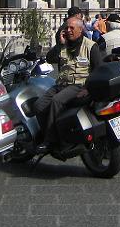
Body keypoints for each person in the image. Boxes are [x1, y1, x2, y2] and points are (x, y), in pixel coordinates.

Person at [33, 16, 105, 150]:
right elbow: (50, 58)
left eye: (72, 28)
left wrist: (88, 89)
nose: (68, 30)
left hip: (78, 85)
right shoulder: (63, 45)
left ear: (81, 29)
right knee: (38, 106)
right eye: (66, 28)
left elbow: (98, 70)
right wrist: (60, 44)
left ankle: (51, 141)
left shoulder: (90, 46)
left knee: (57, 101)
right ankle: (47, 132)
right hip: (61, 85)